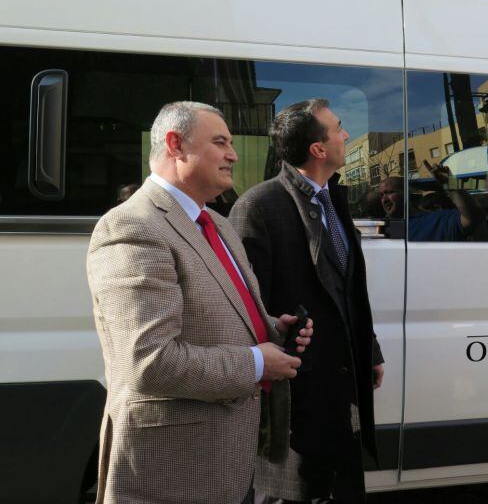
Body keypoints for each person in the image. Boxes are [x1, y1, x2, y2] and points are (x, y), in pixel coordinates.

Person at [87, 101, 311, 504]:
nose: (233, 154)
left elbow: (216, 314)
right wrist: (257, 363)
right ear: (176, 144)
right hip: (173, 472)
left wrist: (273, 329)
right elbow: (150, 362)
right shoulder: (133, 226)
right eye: (220, 142)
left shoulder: (217, 224)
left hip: (227, 462)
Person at [230, 98, 384, 503]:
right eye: (338, 128)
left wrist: (368, 349)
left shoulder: (333, 198)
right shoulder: (258, 207)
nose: (346, 134)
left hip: (342, 390)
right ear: (318, 149)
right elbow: (244, 311)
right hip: (296, 399)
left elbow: (348, 290)